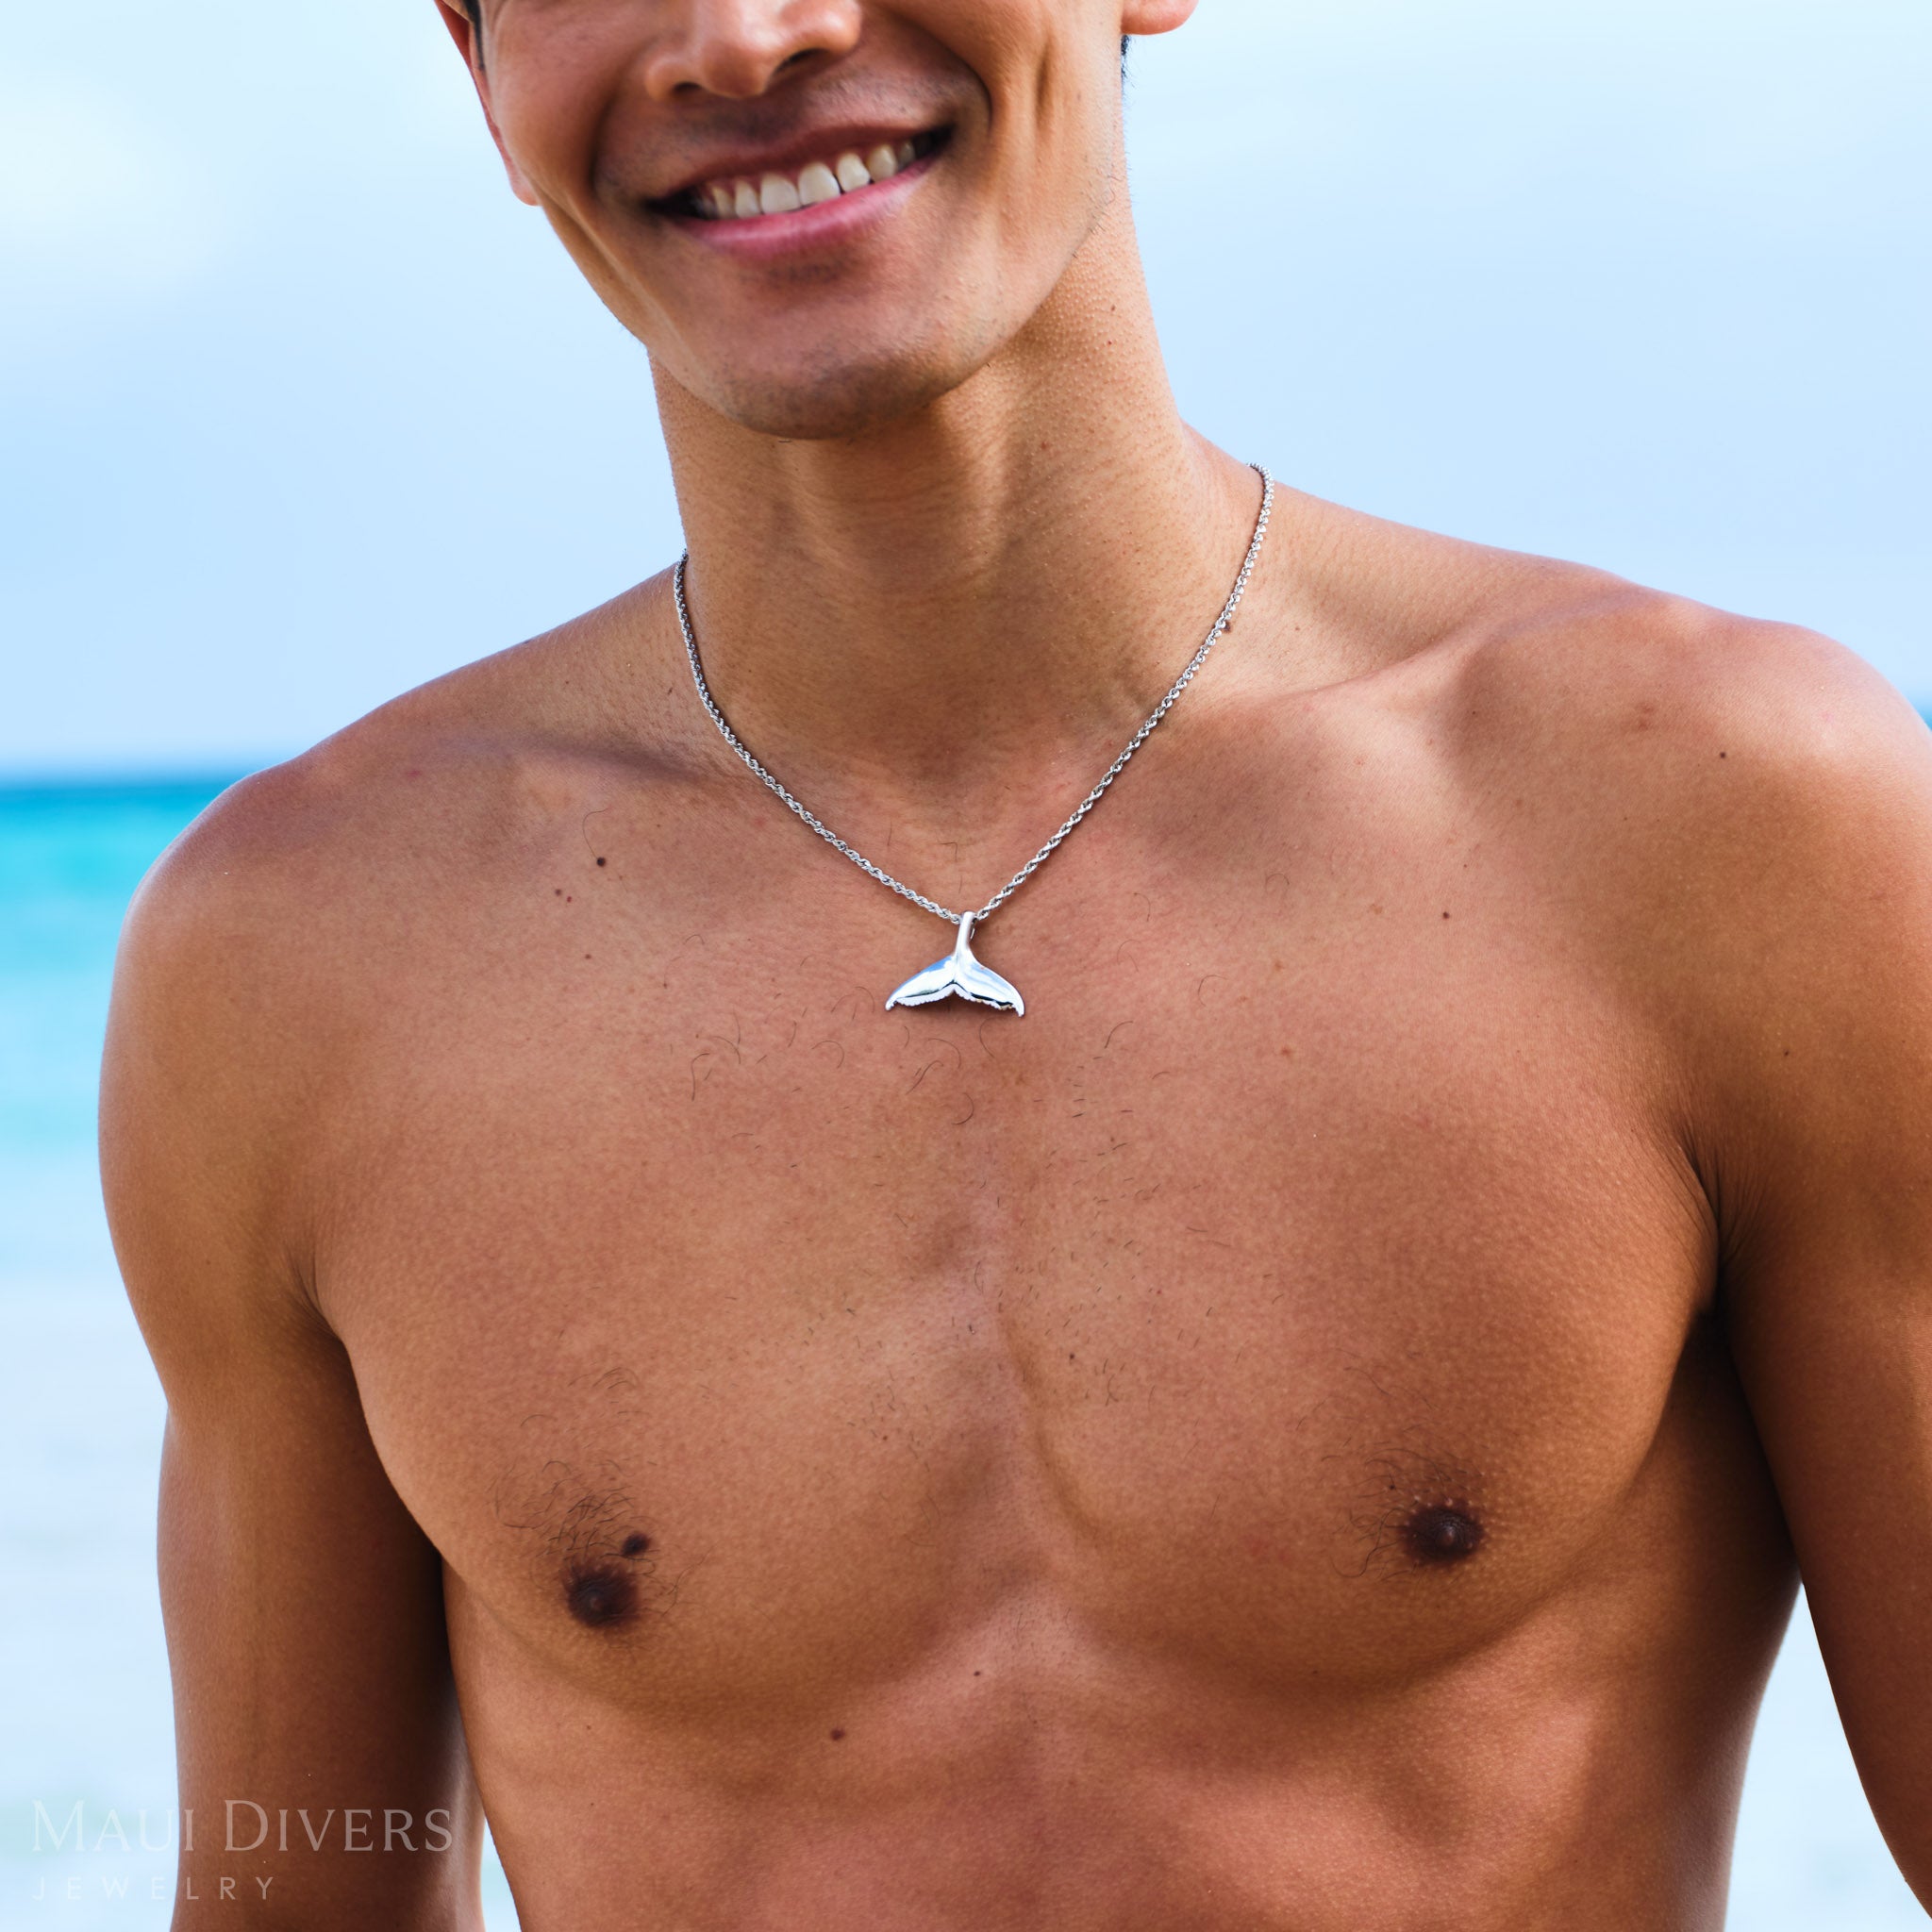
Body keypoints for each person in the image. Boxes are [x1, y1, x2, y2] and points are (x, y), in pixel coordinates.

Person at [101, 1, 1932, 1926]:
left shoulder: (1717, 819)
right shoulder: (299, 960)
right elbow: (288, 1899)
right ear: (474, 54)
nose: (743, 37)